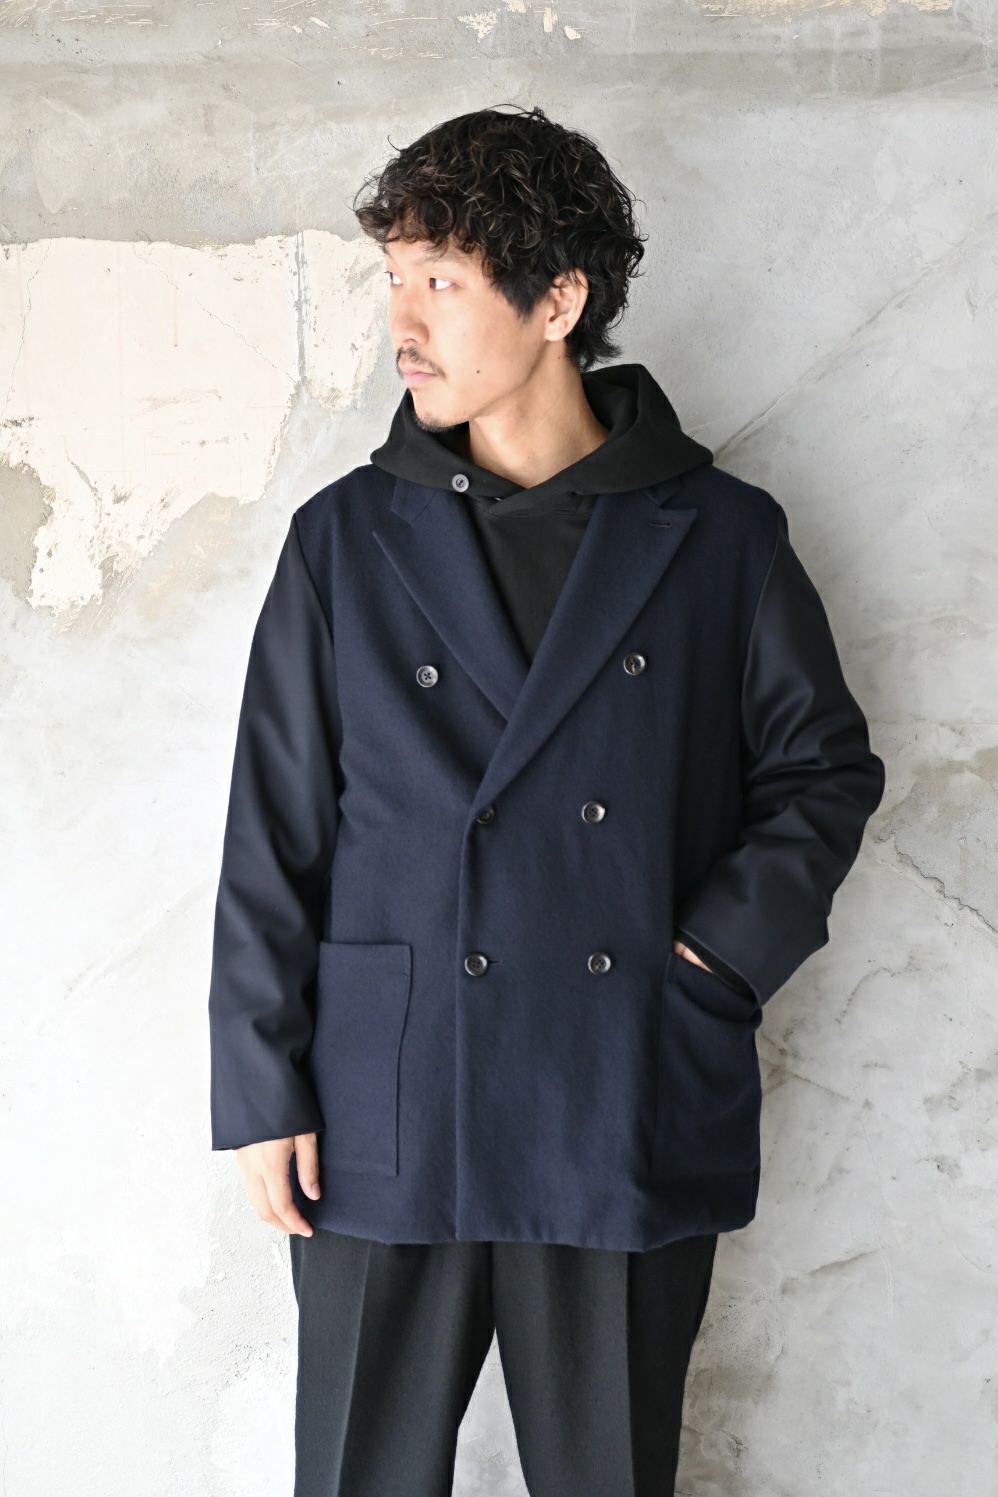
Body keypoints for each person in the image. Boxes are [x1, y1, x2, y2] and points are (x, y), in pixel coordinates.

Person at [207, 104, 886, 1497]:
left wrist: (707, 963)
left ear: (558, 300)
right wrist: (259, 1083)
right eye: (393, 278)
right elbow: (272, 830)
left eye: (441, 280)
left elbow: (823, 771)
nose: (403, 322)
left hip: (619, 1079)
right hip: (389, 1091)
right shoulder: (344, 539)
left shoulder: (720, 536)